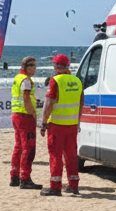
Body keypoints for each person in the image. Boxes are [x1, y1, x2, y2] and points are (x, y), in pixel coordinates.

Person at [40, 53, 83, 196]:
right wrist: (78, 121)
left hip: (57, 124)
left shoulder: (55, 81)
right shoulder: (77, 81)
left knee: (55, 156)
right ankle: (74, 185)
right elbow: (81, 103)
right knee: (71, 156)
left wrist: (43, 122)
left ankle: (55, 187)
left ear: (57, 66)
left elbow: (48, 104)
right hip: (72, 124)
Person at [9, 56, 42, 189]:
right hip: (25, 116)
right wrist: (33, 113)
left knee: (19, 147)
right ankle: (25, 178)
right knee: (28, 148)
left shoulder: (18, 77)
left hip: (16, 114)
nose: (35, 68)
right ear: (26, 67)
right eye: (33, 66)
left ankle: (14, 176)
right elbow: (26, 98)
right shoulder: (26, 80)